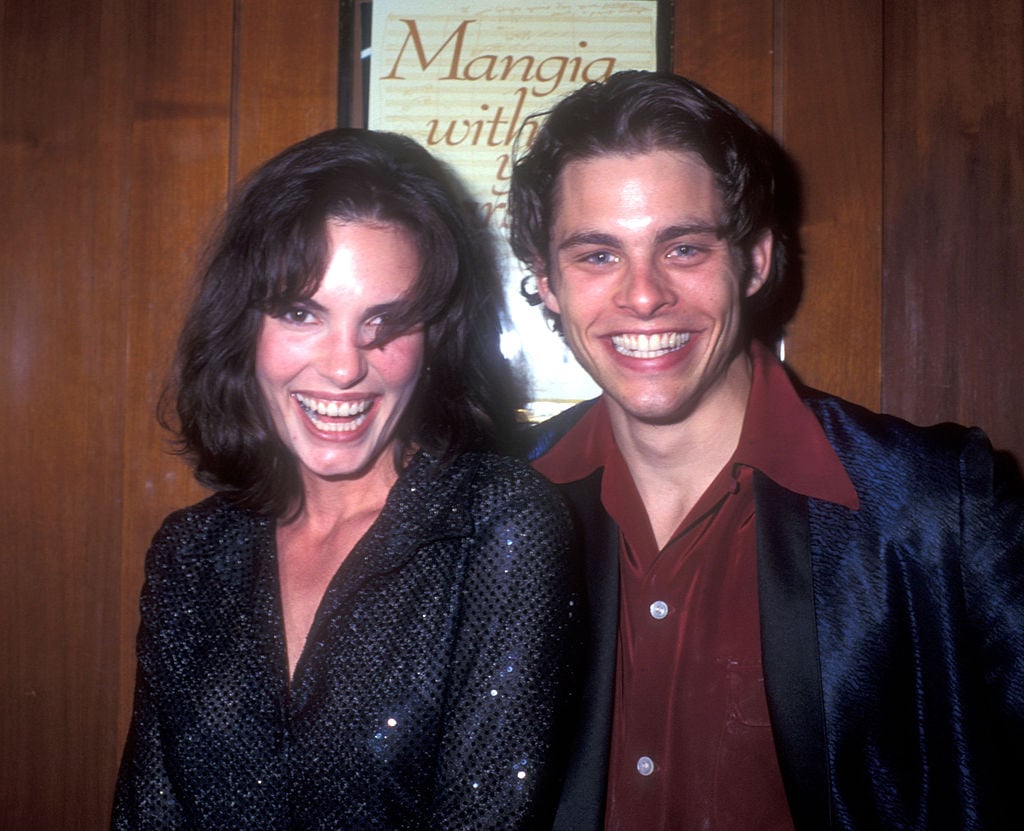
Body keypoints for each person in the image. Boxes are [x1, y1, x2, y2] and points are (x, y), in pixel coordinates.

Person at [508, 70, 1024, 830]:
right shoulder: (499, 509)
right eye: (597, 256)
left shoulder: (937, 506)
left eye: (683, 248)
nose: (643, 295)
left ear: (754, 261)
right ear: (547, 282)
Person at [113, 128, 579, 830]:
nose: (342, 367)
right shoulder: (189, 554)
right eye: (302, 313)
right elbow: (147, 812)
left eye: (384, 323)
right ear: (245, 327)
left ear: (434, 340)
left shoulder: (500, 526)